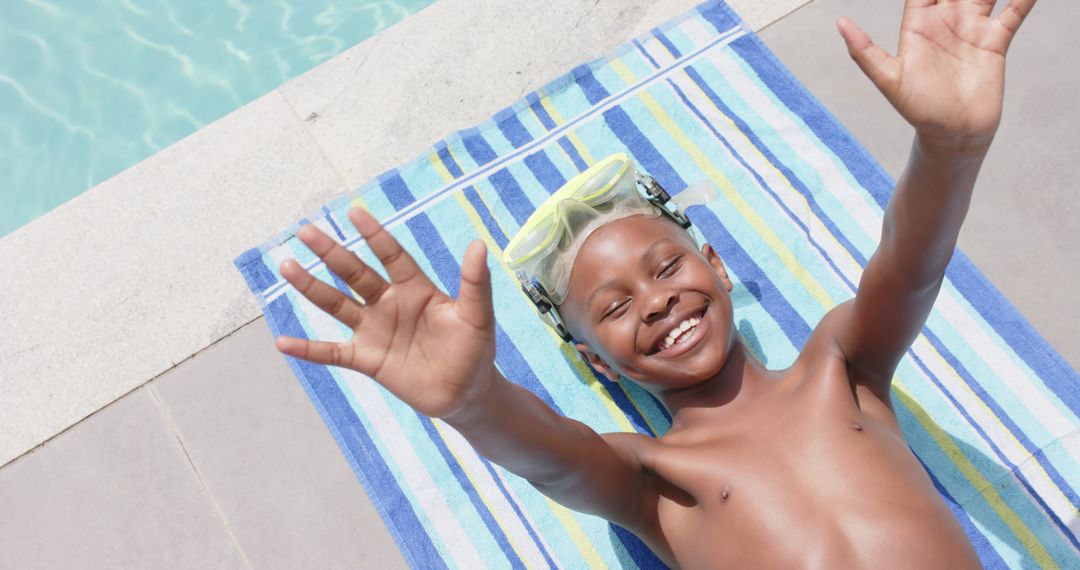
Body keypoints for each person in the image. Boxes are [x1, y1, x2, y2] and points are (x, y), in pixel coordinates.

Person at [273, 1, 1035, 567]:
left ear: (718, 265)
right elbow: (552, 457)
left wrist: (947, 148)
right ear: (597, 363)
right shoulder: (650, 478)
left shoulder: (843, 368)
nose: (657, 300)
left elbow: (910, 264)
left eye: (667, 267)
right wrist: (475, 402)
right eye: (614, 308)